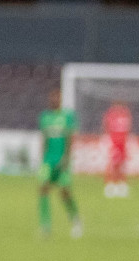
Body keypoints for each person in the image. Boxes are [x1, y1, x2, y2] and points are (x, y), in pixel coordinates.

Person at [38, 89, 83, 239]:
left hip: (62, 159)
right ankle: (45, 226)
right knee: (43, 189)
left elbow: (70, 139)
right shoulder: (45, 117)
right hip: (48, 160)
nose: (54, 100)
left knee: (64, 192)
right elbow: (44, 138)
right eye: (52, 97)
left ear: (61, 99)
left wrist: (66, 158)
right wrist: (42, 159)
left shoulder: (67, 116)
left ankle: (76, 220)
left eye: (57, 97)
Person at [103, 101, 132, 198]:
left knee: (121, 164)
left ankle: (121, 185)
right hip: (114, 141)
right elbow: (106, 126)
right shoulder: (113, 113)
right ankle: (110, 185)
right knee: (113, 164)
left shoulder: (125, 113)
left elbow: (128, 128)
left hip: (122, 142)